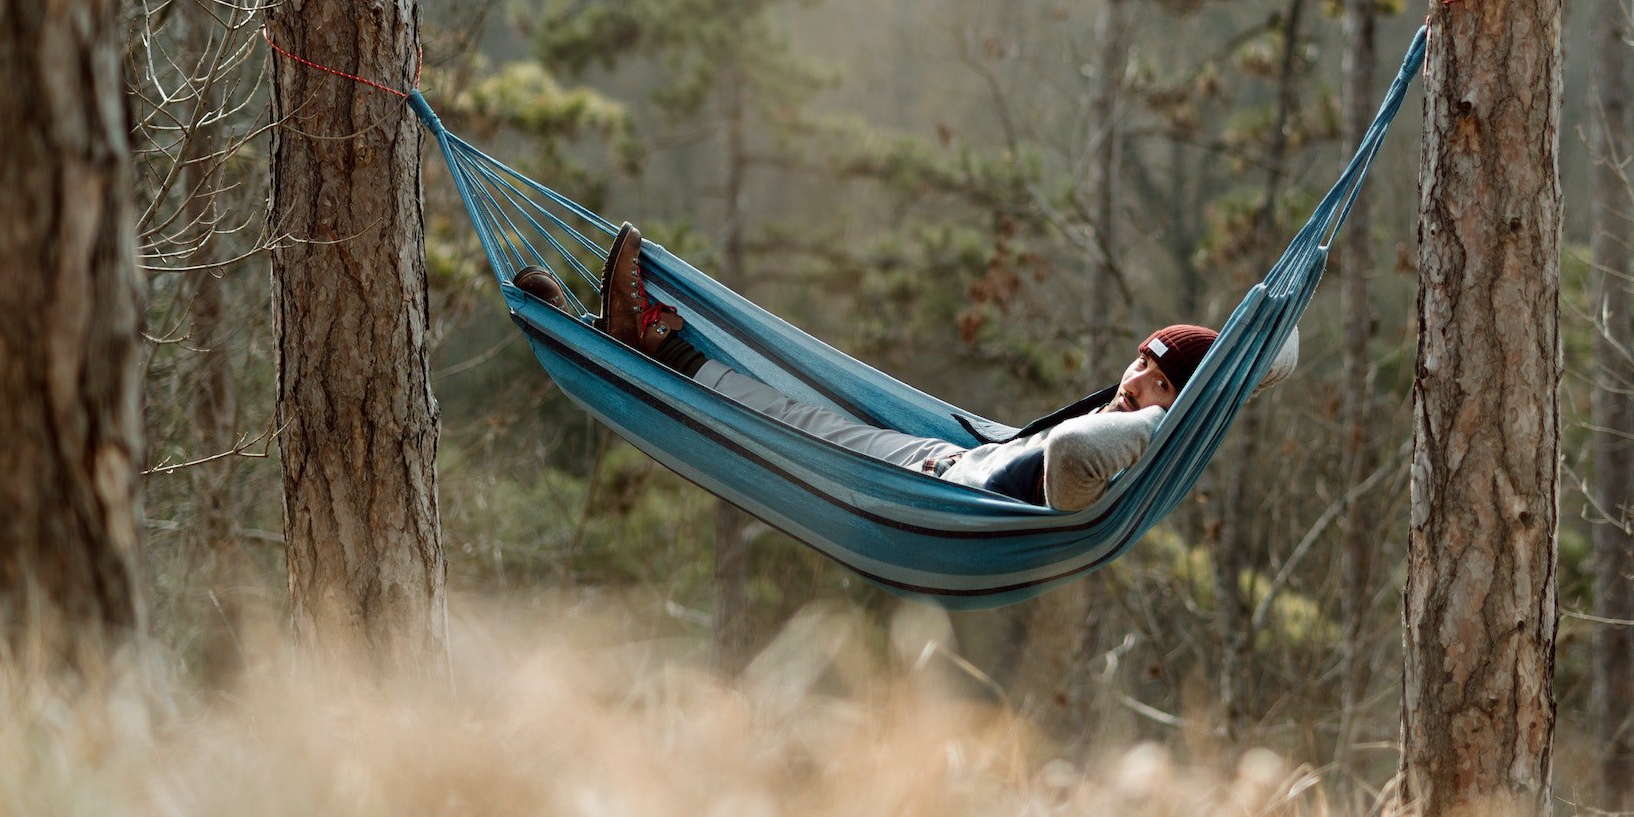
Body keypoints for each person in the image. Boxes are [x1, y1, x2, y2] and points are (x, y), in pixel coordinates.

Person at [515, 223, 1296, 511]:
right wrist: (1222, 370)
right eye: (1138, 366)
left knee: (784, 424)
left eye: (1158, 384)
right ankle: (612, 337)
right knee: (796, 410)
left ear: (1177, 410)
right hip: (945, 455)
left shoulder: (1124, 457)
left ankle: (640, 347)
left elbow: (1066, 457)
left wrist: (1176, 415)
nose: (1133, 385)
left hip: (931, 497)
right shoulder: (1126, 422)